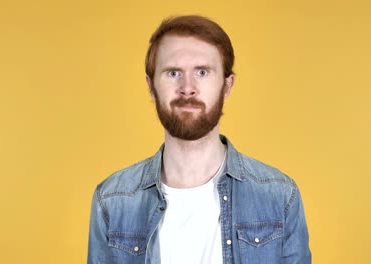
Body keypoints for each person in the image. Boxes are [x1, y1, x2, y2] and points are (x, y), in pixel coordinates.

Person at [87, 15, 311, 264]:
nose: (188, 88)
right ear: (151, 86)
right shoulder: (111, 201)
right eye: (173, 73)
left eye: (202, 72)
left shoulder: (279, 197)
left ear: (227, 85)